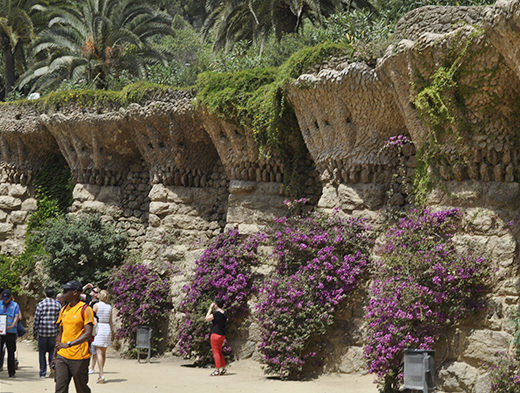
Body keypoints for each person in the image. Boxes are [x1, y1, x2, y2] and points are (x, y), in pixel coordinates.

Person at [52, 280, 94, 393]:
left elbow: (88, 334)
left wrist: (69, 344)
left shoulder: (85, 309)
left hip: (79, 357)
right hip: (62, 356)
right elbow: (60, 333)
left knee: (81, 389)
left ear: (75, 292)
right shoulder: (64, 309)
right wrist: (55, 355)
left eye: (66, 291)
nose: (63, 293)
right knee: (60, 388)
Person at [34, 287, 61, 378]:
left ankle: (42, 373)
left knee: (42, 353)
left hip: (42, 333)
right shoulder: (57, 305)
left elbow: (36, 319)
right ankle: (52, 370)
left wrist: (35, 333)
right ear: (53, 295)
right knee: (52, 353)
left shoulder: (41, 304)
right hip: (53, 333)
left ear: (45, 294)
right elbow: (59, 320)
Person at [91, 290, 113, 383]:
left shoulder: (96, 306)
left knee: (98, 352)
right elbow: (111, 321)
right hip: (106, 328)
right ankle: (101, 372)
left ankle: (101, 374)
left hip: (99, 328)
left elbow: (91, 317)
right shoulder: (109, 307)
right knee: (103, 352)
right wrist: (112, 332)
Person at [205, 298, 227, 376]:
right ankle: (223, 369)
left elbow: (207, 318)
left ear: (216, 305)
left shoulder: (216, 313)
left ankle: (217, 370)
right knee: (220, 351)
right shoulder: (224, 313)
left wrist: (210, 308)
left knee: (216, 352)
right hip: (222, 335)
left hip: (215, 334)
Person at [0, 289, 20, 377]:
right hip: (0, 332)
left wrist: (12, 325)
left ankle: (11, 372)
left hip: (11, 332)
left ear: (10, 297)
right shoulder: (0, 304)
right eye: (4, 298)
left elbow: (16, 316)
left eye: (7, 298)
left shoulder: (15, 305)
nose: (5, 300)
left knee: (11, 352)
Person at [87, 287, 100, 376]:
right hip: (89, 327)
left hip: (95, 327)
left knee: (93, 348)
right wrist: (87, 286)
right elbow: (79, 293)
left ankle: (92, 367)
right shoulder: (90, 300)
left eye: (94, 291)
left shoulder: (97, 304)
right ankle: (88, 367)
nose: (92, 292)